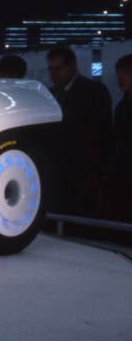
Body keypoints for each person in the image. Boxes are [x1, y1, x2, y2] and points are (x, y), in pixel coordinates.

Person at [45, 46, 112, 217]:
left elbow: (100, 135)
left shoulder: (93, 91)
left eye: (58, 68)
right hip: (57, 171)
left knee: (81, 215)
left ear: (73, 65)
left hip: (82, 171)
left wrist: (93, 172)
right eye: (51, 69)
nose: (54, 73)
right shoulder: (51, 94)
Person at [103, 54, 132, 222]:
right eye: (118, 74)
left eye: (126, 73)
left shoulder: (123, 106)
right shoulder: (122, 106)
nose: (120, 78)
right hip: (122, 174)